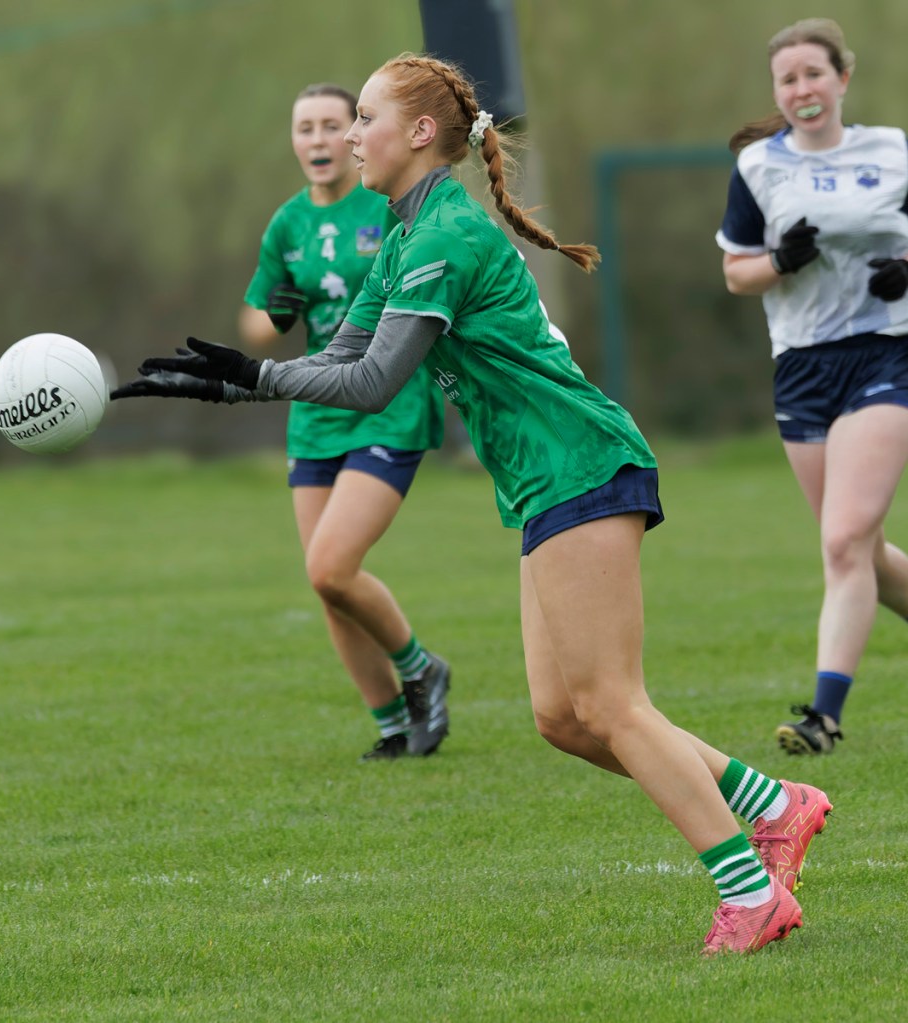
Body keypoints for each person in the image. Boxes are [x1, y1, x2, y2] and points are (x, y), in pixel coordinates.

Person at [113, 52, 832, 954]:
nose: (350, 135)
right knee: (564, 719)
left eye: (364, 117)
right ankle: (776, 803)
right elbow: (339, 355)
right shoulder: (404, 233)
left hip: (578, 460)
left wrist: (256, 378)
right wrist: (229, 384)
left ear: (420, 132)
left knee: (612, 704)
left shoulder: (445, 236)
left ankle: (750, 890)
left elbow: (374, 382)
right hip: (544, 478)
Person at [240, 82, 449, 763]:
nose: (319, 139)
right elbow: (257, 323)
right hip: (316, 415)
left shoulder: (385, 206)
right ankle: (392, 724)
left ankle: (420, 668)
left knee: (332, 566)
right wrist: (276, 309)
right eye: (305, 129)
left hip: (388, 405)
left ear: (355, 134)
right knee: (328, 586)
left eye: (333, 125)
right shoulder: (287, 224)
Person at [716, 17, 908, 756]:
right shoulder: (760, 166)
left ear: (842, 78)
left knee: (843, 539)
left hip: (885, 355)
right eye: (788, 78)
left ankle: (822, 718)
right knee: (863, 551)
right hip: (802, 367)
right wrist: (779, 262)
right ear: (778, 92)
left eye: (814, 73)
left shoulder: (891, 150)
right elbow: (736, 274)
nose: (802, 88)